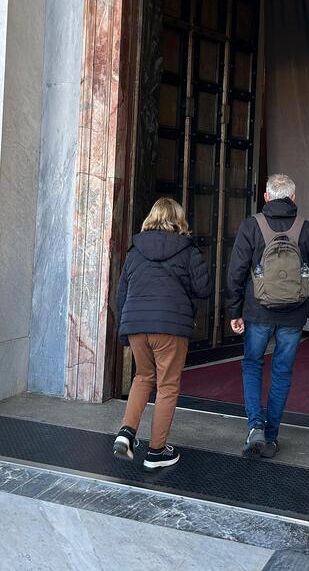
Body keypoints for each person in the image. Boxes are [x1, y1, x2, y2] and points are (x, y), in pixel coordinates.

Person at [225, 173, 309, 458]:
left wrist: (235, 310)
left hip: (257, 312)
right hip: (293, 317)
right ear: (293, 198)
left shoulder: (251, 225)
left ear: (266, 197)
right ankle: (271, 436)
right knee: (282, 372)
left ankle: (255, 426)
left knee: (252, 365)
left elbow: (235, 273)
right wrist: (304, 311)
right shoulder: (307, 229)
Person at [113, 197, 210, 469]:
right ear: (178, 220)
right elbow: (204, 289)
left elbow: (121, 294)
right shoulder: (188, 250)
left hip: (136, 325)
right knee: (167, 386)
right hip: (170, 326)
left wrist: (124, 331)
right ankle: (157, 451)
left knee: (142, 377)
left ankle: (126, 432)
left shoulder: (135, 251)